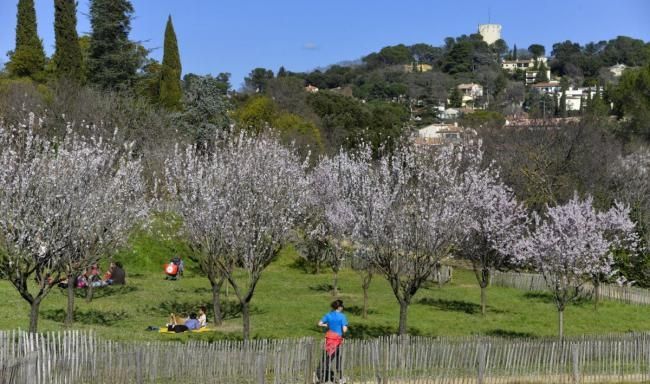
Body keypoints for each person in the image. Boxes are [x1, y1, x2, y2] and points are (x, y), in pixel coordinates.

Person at [316, 299, 348, 384]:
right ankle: (338, 378)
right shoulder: (342, 316)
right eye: (342, 307)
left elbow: (319, 323)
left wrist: (326, 325)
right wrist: (343, 329)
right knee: (336, 358)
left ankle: (323, 376)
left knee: (330, 356)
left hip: (329, 339)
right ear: (340, 307)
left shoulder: (328, 315)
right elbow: (344, 329)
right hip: (337, 340)